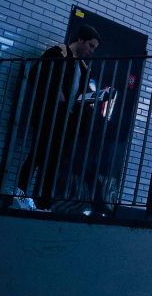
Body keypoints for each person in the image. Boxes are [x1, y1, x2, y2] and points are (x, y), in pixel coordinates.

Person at [13, 25, 100, 211]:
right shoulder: (58, 53)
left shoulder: (83, 68)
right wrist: (55, 91)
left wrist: (94, 97)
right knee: (37, 155)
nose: (91, 51)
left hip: (66, 120)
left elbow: (79, 95)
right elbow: (36, 75)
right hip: (48, 115)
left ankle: (42, 203)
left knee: (53, 162)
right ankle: (20, 194)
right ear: (80, 40)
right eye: (91, 46)